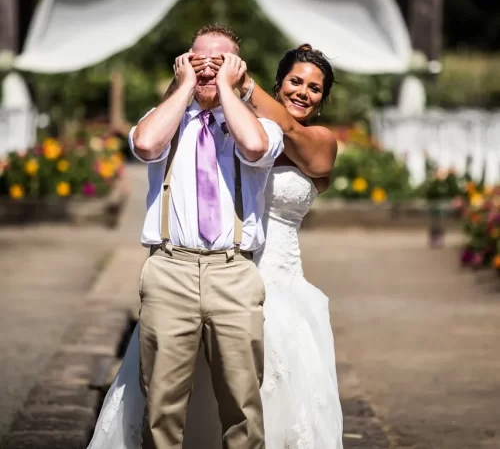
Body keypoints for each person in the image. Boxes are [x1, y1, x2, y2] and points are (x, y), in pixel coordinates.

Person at [86, 37, 343, 449]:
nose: (303, 92)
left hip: (276, 279)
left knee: (256, 403)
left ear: (323, 101)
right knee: (170, 396)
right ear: (279, 86)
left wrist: (240, 82)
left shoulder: (319, 141)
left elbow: (287, 133)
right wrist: (206, 79)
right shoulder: (235, 124)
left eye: (315, 88)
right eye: (295, 81)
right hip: (213, 267)